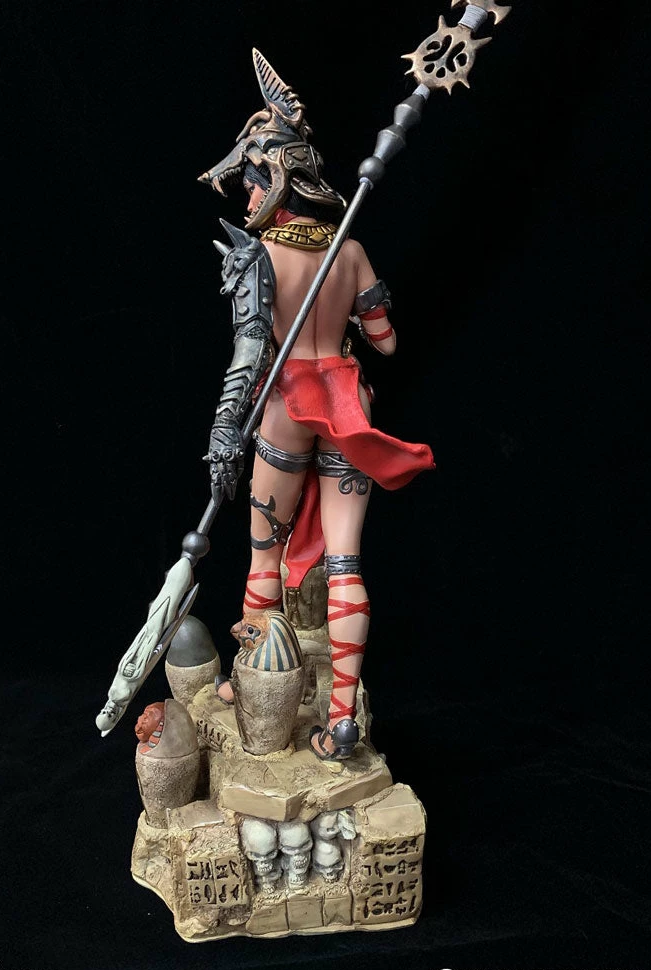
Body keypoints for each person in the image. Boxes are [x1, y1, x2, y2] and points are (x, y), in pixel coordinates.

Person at [199, 50, 435, 761]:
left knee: (263, 550)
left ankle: (252, 679)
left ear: (275, 180)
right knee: (345, 560)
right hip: (347, 400)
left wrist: (223, 436)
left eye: (248, 182)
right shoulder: (350, 251)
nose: (244, 198)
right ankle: (341, 718)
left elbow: (248, 358)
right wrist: (350, 317)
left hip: (286, 404)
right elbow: (385, 342)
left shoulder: (259, 256)